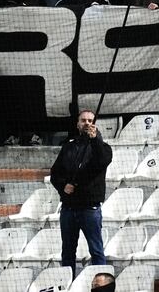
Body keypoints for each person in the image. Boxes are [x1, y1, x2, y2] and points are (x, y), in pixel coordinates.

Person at [50, 109, 113, 275]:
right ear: (78, 124)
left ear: (94, 125)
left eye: (90, 120)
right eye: (83, 120)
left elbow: (101, 162)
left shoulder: (103, 148)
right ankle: (67, 284)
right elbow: (55, 173)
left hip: (89, 209)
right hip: (68, 209)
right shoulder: (68, 147)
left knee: (96, 251)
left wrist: (95, 141)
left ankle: (102, 284)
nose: (86, 123)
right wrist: (64, 186)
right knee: (68, 252)